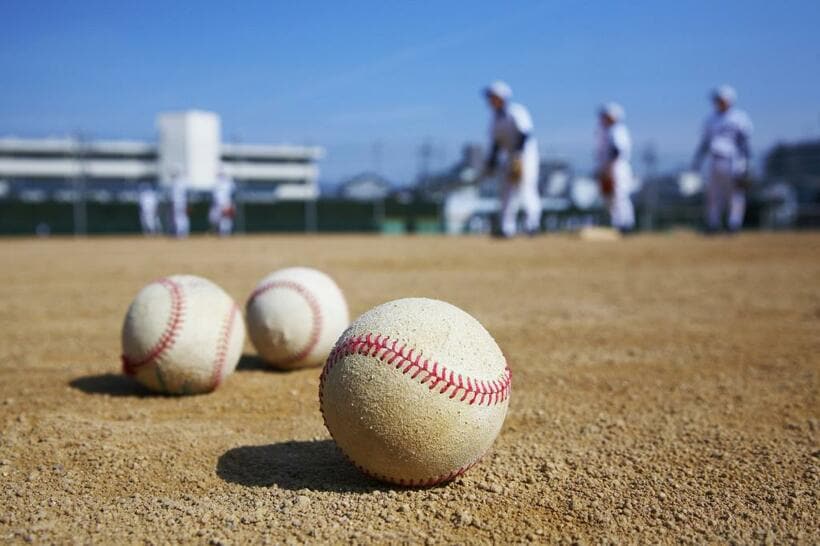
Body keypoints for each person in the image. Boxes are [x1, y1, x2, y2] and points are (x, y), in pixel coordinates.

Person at [481, 81, 541, 237]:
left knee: (526, 188)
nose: (489, 100)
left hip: (526, 155)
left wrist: (518, 157)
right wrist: (491, 163)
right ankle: (507, 228)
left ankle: (532, 225)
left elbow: (524, 134)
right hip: (509, 156)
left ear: (501, 97)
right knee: (506, 191)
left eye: (492, 97)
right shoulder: (494, 119)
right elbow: (495, 144)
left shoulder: (516, 111)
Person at [691, 85, 753, 233]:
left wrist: (746, 163)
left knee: (735, 194)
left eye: (720, 99)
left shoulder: (739, 118)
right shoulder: (710, 119)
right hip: (714, 160)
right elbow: (705, 142)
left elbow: (744, 142)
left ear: (729, 100)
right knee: (713, 195)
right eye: (716, 99)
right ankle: (713, 223)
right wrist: (697, 161)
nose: (717, 102)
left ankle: (734, 224)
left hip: (733, 160)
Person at [596, 102, 635, 233]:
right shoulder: (605, 131)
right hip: (609, 166)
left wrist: (608, 168)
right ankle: (617, 224)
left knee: (620, 195)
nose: (603, 118)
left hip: (617, 166)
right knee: (610, 197)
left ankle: (626, 224)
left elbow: (617, 151)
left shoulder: (617, 130)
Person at [209, 167, 236, 236]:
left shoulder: (229, 182)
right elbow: (214, 195)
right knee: (213, 218)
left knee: (225, 219)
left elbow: (233, 193)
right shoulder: (216, 182)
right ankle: (218, 232)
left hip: (226, 202)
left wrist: (231, 204)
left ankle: (225, 233)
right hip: (217, 204)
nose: (220, 175)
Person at [169, 168, 189, 238]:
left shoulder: (177, 182)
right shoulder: (182, 182)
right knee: (182, 218)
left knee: (179, 218)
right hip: (181, 202)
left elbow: (176, 195)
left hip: (179, 202)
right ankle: (182, 232)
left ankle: (180, 233)